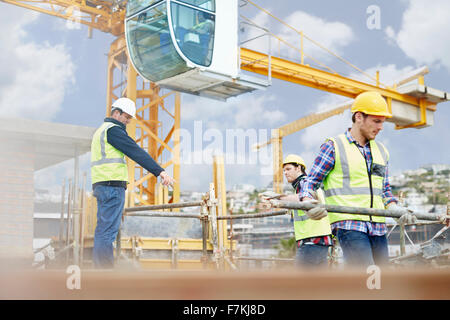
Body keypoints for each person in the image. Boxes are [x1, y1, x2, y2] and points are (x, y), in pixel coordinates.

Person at [299, 91, 416, 268]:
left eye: (382, 122)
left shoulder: (382, 151)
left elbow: (384, 192)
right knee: (367, 275)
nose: (381, 127)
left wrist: (395, 209)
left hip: (377, 225)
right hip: (349, 224)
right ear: (359, 117)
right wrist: (308, 202)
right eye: (376, 121)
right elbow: (310, 182)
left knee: (382, 278)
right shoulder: (334, 146)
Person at [91, 97, 174, 268]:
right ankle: (104, 274)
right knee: (107, 233)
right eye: (126, 117)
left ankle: (100, 271)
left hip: (102, 185)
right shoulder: (113, 130)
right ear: (116, 113)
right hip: (112, 187)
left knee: (102, 231)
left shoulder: (101, 130)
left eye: (129, 118)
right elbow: (135, 151)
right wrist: (160, 171)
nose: (128, 121)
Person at [280, 154, 333, 268]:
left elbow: (300, 198)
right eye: (284, 170)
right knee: (317, 283)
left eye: (288, 169)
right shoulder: (308, 184)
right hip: (319, 240)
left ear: (298, 168)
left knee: (301, 282)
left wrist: (277, 198)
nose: (285, 173)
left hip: (311, 240)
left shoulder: (304, 183)